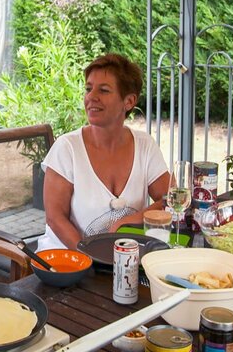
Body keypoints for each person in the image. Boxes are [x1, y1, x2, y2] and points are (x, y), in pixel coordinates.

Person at [36, 54, 170, 251]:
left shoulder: (145, 146)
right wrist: (92, 257)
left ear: (129, 101)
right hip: (68, 261)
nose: (91, 97)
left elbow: (171, 201)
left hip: (125, 259)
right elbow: (55, 219)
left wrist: (131, 220)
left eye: (104, 90)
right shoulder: (67, 148)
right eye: (88, 89)